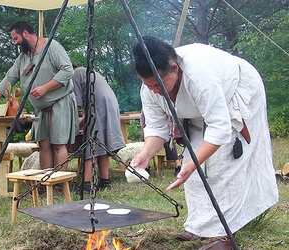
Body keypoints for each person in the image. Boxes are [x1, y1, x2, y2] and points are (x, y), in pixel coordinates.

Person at [130, 36, 279, 249]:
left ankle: (226, 234)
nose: (154, 90)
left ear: (174, 68)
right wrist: (145, 154)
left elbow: (219, 129)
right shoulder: (150, 89)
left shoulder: (201, 78)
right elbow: (156, 129)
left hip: (236, 90)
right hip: (201, 109)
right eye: (148, 84)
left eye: (158, 84)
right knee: (193, 160)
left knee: (224, 163)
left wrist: (191, 165)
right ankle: (199, 226)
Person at [0, 21, 79, 174]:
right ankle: (45, 182)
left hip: (60, 102)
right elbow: (9, 77)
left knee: (58, 144)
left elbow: (68, 71)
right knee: (44, 145)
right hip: (41, 109)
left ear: (26, 34)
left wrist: (45, 88)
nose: (15, 43)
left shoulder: (51, 47)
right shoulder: (23, 58)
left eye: (16, 38)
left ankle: (59, 185)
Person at [72, 66, 126, 192]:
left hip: (98, 104)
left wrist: (71, 124)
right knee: (103, 144)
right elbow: (86, 111)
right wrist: (80, 124)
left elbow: (76, 105)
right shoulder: (91, 72)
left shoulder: (75, 74)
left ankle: (87, 184)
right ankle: (105, 181)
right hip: (111, 104)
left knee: (92, 145)